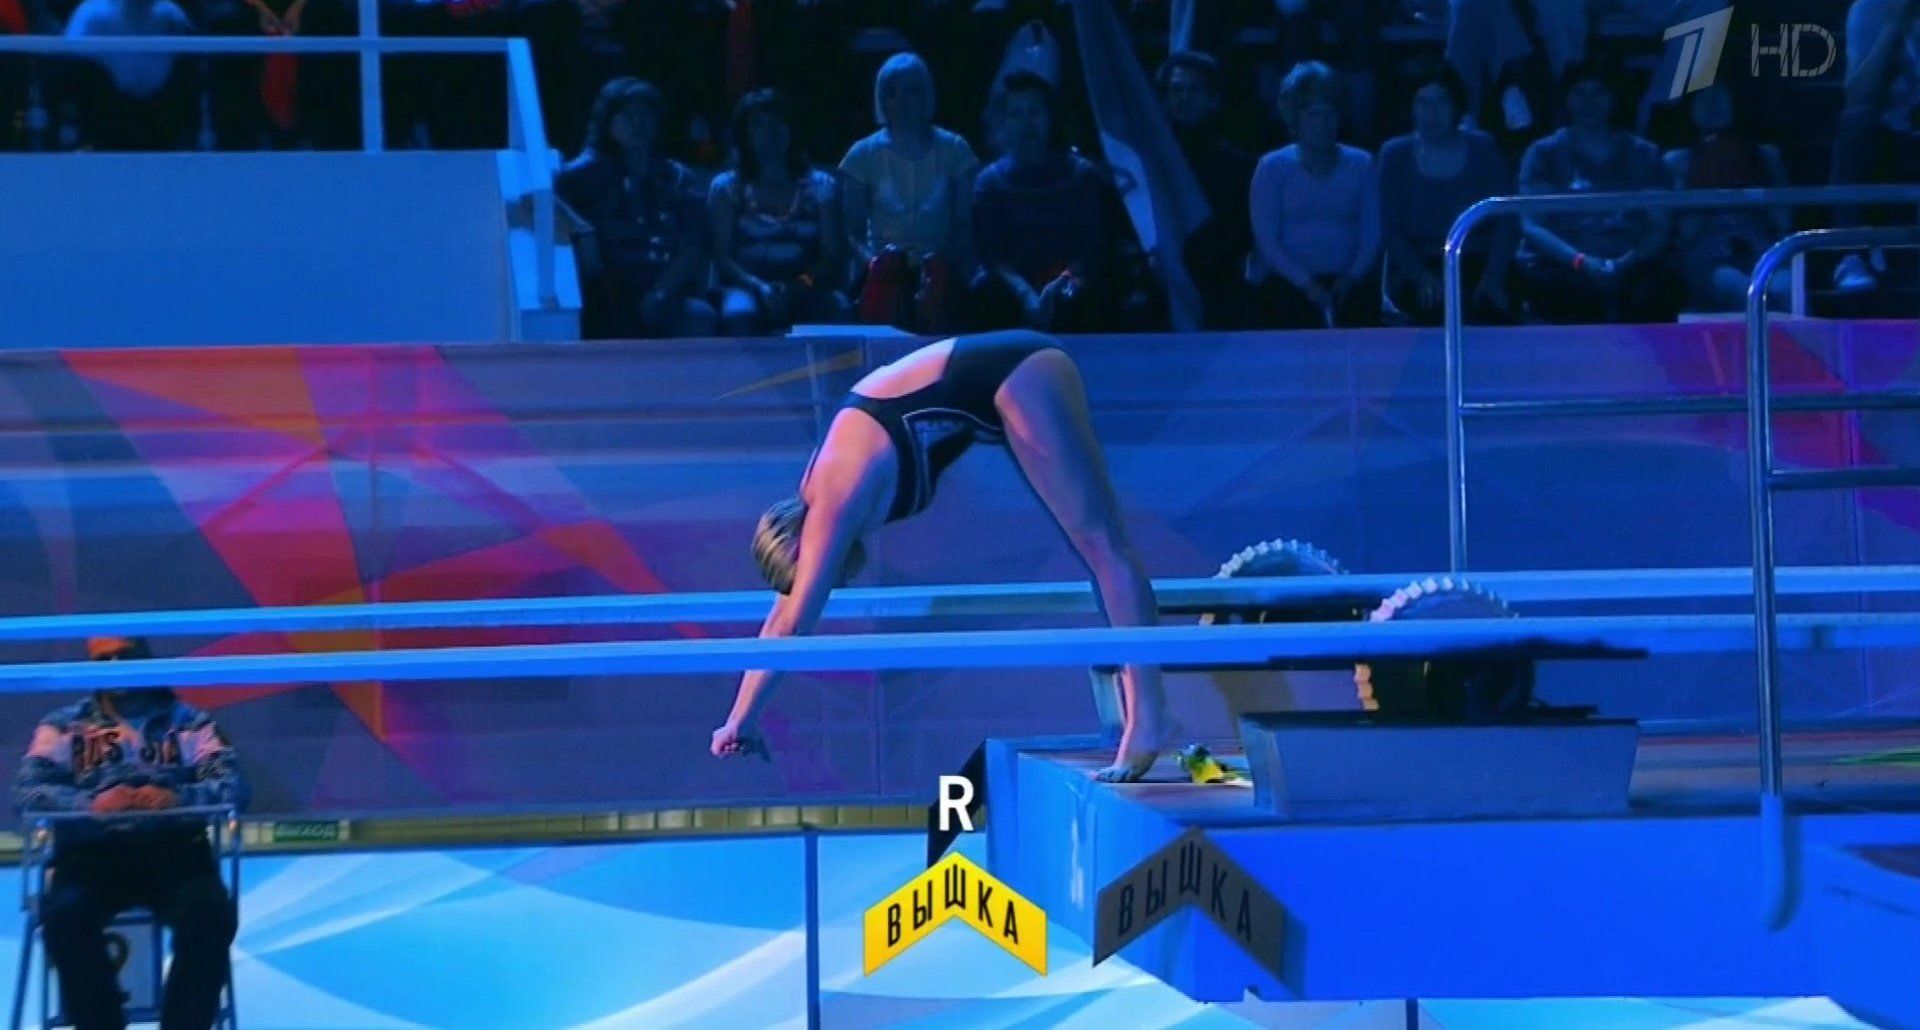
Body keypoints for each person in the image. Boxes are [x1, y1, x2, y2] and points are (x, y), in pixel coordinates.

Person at [712, 331, 1171, 783]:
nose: (831, 578)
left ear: (799, 545)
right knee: (1097, 553)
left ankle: (1150, 717)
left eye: (820, 573)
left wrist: (743, 719)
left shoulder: (832, 498)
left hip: (1017, 372)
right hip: (1001, 385)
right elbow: (780, 619)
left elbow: (792, 625)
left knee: (1104, 548)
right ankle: (1144, 712)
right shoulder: (819, 498)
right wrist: (740, 719)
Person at [13, 636, 248, 1030]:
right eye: (104, 660)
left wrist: (178, 798)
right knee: (65, 915)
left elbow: (232, 785)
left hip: (176, 855)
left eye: (125, 656)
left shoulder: (189, 724)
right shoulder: (64, 726)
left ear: (146, 659)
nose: (116, 666)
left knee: (209, 915)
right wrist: (89, 805)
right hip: (91, 857)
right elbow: (28, 792)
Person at [556, 77, 717, 340]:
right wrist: (583, 230)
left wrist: (661, 292)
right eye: (627, 116)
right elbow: (545, 205)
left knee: (699, 317)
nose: (637, 123)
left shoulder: (678, 177)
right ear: (609, 123)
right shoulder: (581, 176)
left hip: (663, 287)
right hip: (605, 292)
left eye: (644, 115)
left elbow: (692, 245)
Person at [969, 71, 1117, 333]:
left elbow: (1092, 247)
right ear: (1003, 122)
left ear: (1051, 117)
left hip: (1068, 281)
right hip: (1013, 285)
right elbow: (993, 256)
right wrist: (1025, 293)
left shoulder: (1082, 175)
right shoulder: (989, 183)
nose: (1027, 123)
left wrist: (1063, 280)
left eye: (1034, 112)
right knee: (986, 292)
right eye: (1016, 114)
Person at [708, 88, 853, 335]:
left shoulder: (821, 186)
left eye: (777, 122)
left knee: (839, 308)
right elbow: (722, 255)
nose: (770, 132)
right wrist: (759, 286)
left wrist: (799, 286)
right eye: (759, 124)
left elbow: (831, 255)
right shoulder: (727, 187)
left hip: (808, 286)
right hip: (745, 285)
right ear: (746, 134)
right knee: (739, 315)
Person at [1249, 61, 1381, 329]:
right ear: (1296, 119)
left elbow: (1372, 234)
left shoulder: (1362, 164)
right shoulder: (1272, 167)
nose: (1323, 123)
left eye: (1329, 113)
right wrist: (1307, 284)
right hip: (1289, 282)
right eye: (1313, 114)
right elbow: (1267, 242)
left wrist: (1350, 277)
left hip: (1348, 282)